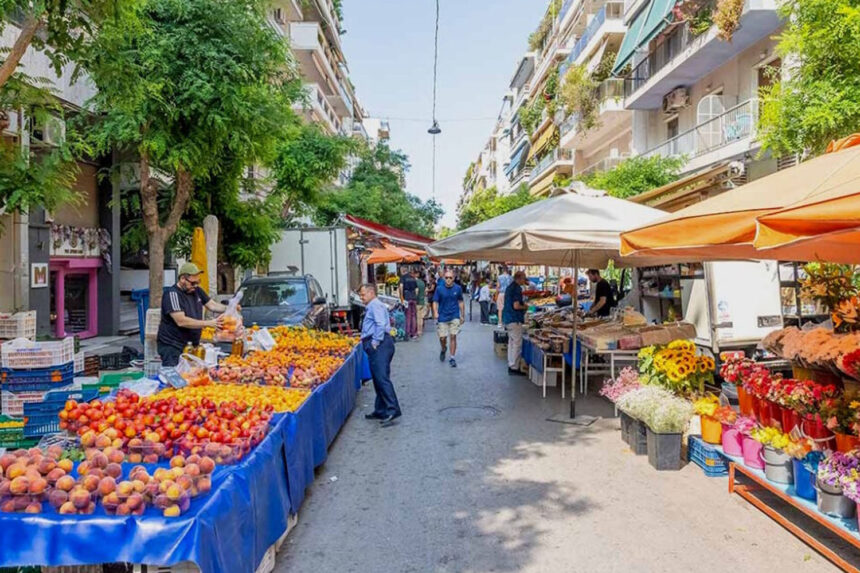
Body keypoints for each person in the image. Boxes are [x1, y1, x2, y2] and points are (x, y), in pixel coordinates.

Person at [157, 262, 229, 367]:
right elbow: (181, 321)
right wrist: (208, 323)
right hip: (173, 346)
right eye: (193, 283)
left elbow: (212, 305)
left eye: (198, 282)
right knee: (175, 378)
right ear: (182, 279)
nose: (195, 286)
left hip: (191, 345)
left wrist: (230, 308)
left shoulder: (197, 291)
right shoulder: (172, 294)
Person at [359, 283, 401, 427]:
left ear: (371, 293)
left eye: (363, 294)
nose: (361, 297)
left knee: (382, 378)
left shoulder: (375, 305)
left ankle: (392, 409)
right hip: (380, 344)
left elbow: (380, 324)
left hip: (380, 345)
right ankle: (381, 409)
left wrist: (375, 342)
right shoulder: (373, 305)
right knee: (378, 378)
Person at [433, 269, 465, 368]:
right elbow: (435, 301)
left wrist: (462, 315)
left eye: (450, 278)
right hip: (442, 316)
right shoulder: (439, 289)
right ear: (443, 278)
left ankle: (452, 357)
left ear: (454, 278)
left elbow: (460, 301)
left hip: (454, 315)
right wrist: (435, 312)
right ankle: (443, 348)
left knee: (453, 336)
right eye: (446, 278)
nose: (448, 279)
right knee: (442, 337)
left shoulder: (458, 288)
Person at [503, 271, 528, 376]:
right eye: (524, 278)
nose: (525, 280)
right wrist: (525, 307)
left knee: (512, 343)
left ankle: (511, 364)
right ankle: (514, 367)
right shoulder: (517, 289)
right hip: (514, 319)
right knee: (517, 343)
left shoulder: (509, 287)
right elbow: (516, 306)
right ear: (519, 278)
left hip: (508, 318)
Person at [399, 266, 418, 339]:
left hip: (407, 298)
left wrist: (402, 298)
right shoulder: (413, 278)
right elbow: (416, 289)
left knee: (407, 315)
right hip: (413, 298)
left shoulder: (403, 278)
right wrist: (414, 296)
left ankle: (407, 332)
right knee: (413, 315)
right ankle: (413, 333)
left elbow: (401, 287)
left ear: (403, 270)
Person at [414, 269, 426, 335]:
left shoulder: (416, 282)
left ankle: (418, 331)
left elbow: (416, 291)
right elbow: (424, 292)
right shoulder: (422, 282)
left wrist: (415, 299)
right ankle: (421, 330)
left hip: (418, 302)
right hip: (422, 301)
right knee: (421, 317)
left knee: (418, 317)